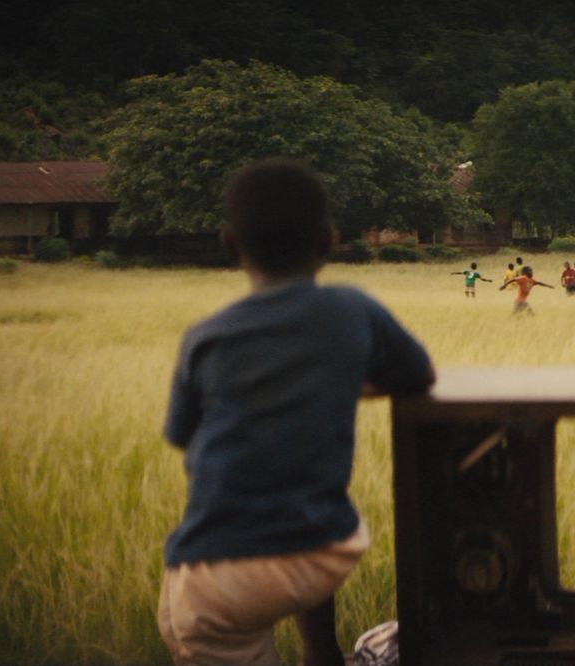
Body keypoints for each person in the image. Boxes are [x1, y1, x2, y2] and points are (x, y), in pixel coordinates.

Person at [159, 158, 436, 666]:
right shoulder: (352, 309)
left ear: (229, 245)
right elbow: (418, 373)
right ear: (329, 240)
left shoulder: (205, 338)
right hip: (324, 550)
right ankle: (321, 653)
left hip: (217, 571)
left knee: (194, 626)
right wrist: (338, 381)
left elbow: (183, 434)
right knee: (296, 510)